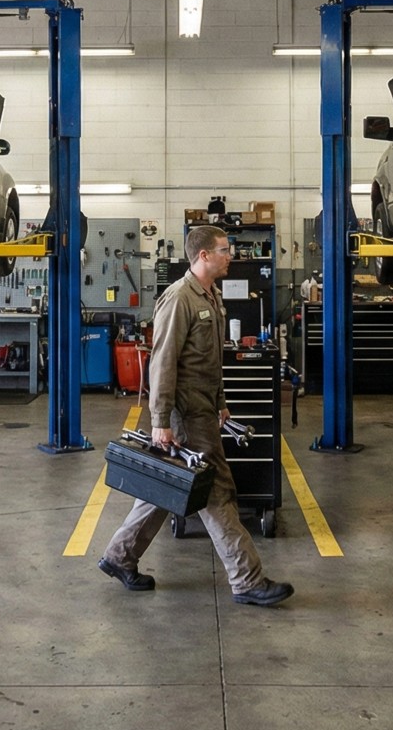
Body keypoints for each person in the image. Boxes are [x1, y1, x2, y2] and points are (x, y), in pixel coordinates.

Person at [98, 224, 293, 607]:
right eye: (224, 250)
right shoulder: (179, 299)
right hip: (185, 417)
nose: (230, 256)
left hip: (203, 411)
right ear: (203, 255)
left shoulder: (211, 296)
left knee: (167, 489)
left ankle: (119, 557)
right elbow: (163, 362)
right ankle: (247, 580)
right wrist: (159, 421)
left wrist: (220, 402)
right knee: (216, 494)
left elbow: (210, 361)